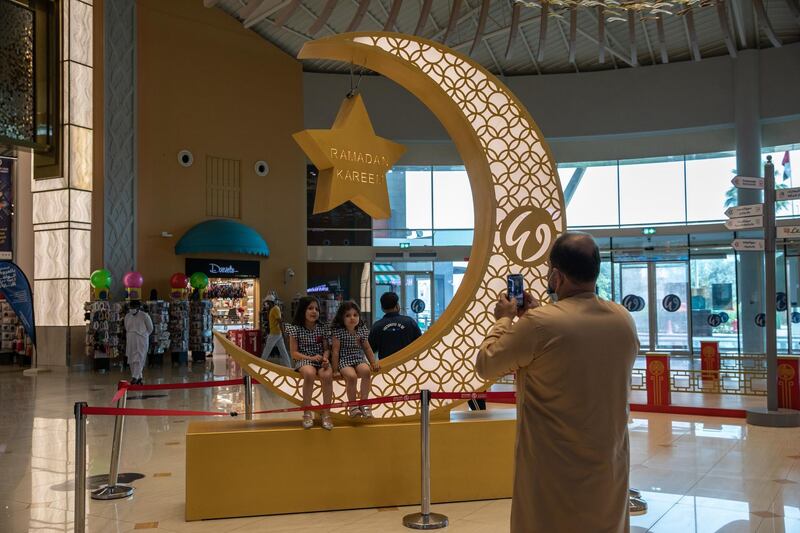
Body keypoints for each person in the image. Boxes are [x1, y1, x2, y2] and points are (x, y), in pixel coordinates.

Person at [475, 232, 639, 533]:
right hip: (607, 464)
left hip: (553, 468)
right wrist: (537, 315)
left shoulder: (539, 325)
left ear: (557, 275)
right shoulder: (623, 319)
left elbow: (486, 364)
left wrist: (503, 319)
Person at [286, 296, 334, 430]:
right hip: (304, 359)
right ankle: (307, 412)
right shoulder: (294, 328)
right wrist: (311, 358)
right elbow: (294, 353)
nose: (314, 311)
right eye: (310, 308)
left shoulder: (323, 327)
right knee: (309, 373)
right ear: (303, 310)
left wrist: (325, 359)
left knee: (326, 375)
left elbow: (326, 349)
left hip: (320, 359)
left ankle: (326, 413)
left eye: (317, 309)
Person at [330, 301, 380, 418]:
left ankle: (364, 403)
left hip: (358, 358)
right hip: (344, 360)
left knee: (366, 372)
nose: (352, 318)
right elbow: (335, 351)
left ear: (359, 316)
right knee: (351, 377)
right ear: (341, 318)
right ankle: (353, 406)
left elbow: (367, 348)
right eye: (348, 315)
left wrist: (373, 362)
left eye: (355, 315)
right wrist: (335, 370)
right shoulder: (338, 331)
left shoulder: (361, 329)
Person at [368, 292, 422, 359]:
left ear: (382, 308)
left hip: (387, 366)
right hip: (408, 366)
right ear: (397, 305)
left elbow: (371, 349)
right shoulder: (410, 322)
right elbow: (420, 343)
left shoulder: (377, 326)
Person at [124, 299, 154, 385]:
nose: (132, 309)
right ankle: (139, 377)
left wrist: (143, 335)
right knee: (131, 358)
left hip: (141, 339)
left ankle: (135, 376)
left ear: (138, 308)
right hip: (130, 338)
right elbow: (126, 327)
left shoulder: (144, 316)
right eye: (131, 307)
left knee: (139, 357)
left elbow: (150, 328)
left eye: (133, 307)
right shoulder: (127, 316)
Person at [260, 295, 291, 367]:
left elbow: (280, 321)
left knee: (266, 350)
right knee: (283, 351)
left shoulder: (275, 309)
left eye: (267, 302)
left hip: (274, 333)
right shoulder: (272, 309)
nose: (266, 304)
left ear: (270, 302)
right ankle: (288, 366)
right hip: (277, 333)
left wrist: (284, 333)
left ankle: (260, 364)